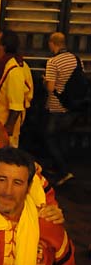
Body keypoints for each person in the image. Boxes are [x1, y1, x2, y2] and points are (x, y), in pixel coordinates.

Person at [0, 30, 33, 146]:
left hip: (4, 126)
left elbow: (16, 106)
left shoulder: (14, 69)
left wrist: (6, 131)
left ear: (3, 45)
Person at [43, 31, 79, 186]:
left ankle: (64, 171)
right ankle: (60, 167)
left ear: (52, 43)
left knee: (50, 138)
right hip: (71, 106)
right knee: (63, 138)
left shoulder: (53, 62)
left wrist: (45, 81)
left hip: (56, 107)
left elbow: (51, 87)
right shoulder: (76, 60)